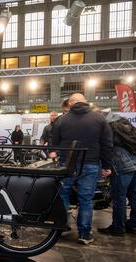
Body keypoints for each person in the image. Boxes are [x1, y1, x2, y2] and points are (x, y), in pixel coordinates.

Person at [51, 93, 113, 245]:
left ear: (70, 103)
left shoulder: (61, 120)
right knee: (86, 199)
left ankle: (63, 227)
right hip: (90, 164)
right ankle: (84, 234)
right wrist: (106, 166)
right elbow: (107, 145)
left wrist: (55, 155)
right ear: (85, 102)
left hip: (67, 165)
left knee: (63, 195)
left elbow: (55, 143)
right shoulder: (99, 119)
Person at [98, 112, 136, 236]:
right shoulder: (123, 122)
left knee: (119, 198)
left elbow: (108, 148)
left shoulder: (108, 126)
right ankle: (133, 225)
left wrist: (106, 166)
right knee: (134, 197)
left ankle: (118, 227)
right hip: (134, 162)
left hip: (122, 166)